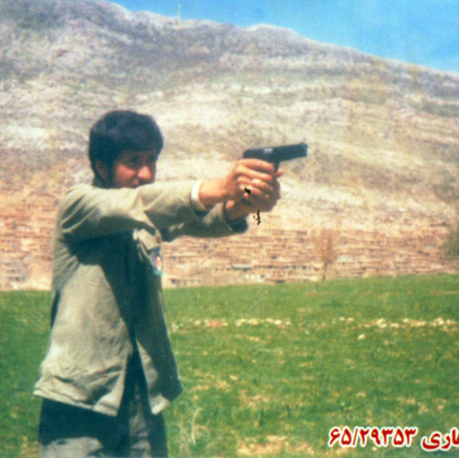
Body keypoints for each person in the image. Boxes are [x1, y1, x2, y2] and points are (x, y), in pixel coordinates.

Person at [34, 110, 282, 456]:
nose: (146, 173)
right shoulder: (78, 205)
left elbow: (201, 219)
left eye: (151, 160)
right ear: (102, 167)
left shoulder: (148, 218)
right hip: (80, 403)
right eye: (133, 162)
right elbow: (136, 204)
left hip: (141, 399)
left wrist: (248, 203)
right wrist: (219, 187)